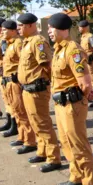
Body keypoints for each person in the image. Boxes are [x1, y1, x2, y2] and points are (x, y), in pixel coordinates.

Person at [48, 13, 93, 185]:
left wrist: (81, 100)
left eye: (51, 28)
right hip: (61, 104)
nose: (48, 32)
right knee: (66, 142)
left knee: (79, 145)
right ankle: (76, 176)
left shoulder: (73, 50)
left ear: (61, 29)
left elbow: (85, 83)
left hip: (72, 105)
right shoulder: (58, 49)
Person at [17, 13, 62, 172]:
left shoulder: (38, 42)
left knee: (42, 123)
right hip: (27, 89)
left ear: (30, 25)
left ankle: (53, 157)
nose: (18, 28)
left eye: (21, 26)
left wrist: (50, 84)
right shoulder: (27, 42)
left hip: (37, 89)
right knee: (35, 122)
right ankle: (42, 151)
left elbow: (47, 66)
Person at [1, 20, 38, 154]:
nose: (2, 32)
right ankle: (22, 136)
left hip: (16, 82)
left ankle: (30, 141)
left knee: (22, 112)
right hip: (8, 82)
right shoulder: (10, 44)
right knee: (16, 111)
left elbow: (23, 63)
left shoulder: (18, 44)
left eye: (5, 30)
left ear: (12, 31)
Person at [0, 18, 13, 132]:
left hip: (4, 73)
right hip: (0, 74)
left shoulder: (4, 41)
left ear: (0, 27)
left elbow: (6, 58)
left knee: (9, 100)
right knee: (6, 99)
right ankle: (9, 122)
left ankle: (13, 125)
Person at [78, 20, 93, 107]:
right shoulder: (83, 37)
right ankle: (90, 96)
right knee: (87, 80)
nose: (79, 29)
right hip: (84, 61)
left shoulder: (90, 37)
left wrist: (92, 58)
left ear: (85, 27)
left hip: (90, 62)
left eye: (80, 27)